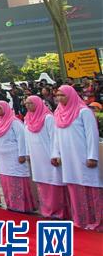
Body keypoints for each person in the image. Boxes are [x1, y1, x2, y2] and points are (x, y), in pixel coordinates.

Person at [50, 85, 102, 231]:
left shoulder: (83, 112)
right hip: (68, 158)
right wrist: (55, 153)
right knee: (73, 186)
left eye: (62, 95)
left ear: (71, 95)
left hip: (83, 156)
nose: (60, 98)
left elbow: (92, 135)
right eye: (58, 95)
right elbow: (56, 136)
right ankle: (80, 219)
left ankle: (95, 220)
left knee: (89, 185)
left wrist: (92, 156)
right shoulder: (58, 113)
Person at [23, 95, 68, 219]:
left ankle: (59, 212)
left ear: (37, 103)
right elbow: (27, 139)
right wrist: (28, 154)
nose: (28, 105)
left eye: (30, 103)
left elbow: (55, 137)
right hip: (36, 156)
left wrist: (55, 154)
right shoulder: (27, 119)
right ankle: (46, 210)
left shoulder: (47, 118)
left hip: (48, 155)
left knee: (53, 182)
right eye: (26, 103)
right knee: (42, 183)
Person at [0, 100, 36, 213]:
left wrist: (22, 154)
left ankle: (23, 206)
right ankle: (11, 204)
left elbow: (21, 139)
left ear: (5, 108)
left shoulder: (14, 122)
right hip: (2, 158)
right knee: (6, 180)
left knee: (16, 178)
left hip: (14, 156)